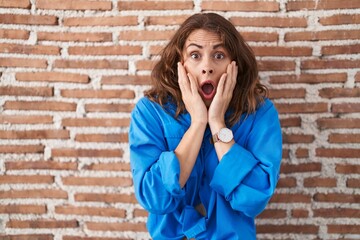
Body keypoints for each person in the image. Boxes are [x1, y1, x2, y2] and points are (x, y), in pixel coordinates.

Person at [129, 13, 282, 240]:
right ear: (180, 64)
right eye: (195, 55)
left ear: (234, 65)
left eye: (218, 55)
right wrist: (198, 123)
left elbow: (255, 198)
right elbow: (155, 198)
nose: (207, 67)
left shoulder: (260, 113)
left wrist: (217, 123)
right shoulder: (150, 112)